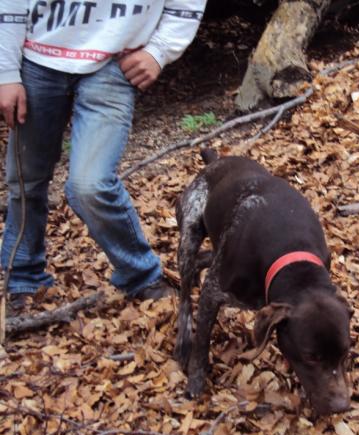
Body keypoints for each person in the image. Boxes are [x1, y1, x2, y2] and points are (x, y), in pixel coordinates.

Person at [0, 0, 206, 310]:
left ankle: (141, 274)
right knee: (26, 179)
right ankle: (22, 278)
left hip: (115, 62)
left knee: (90, 185)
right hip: (37, 57)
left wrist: (159, 51)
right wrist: (6, 72)